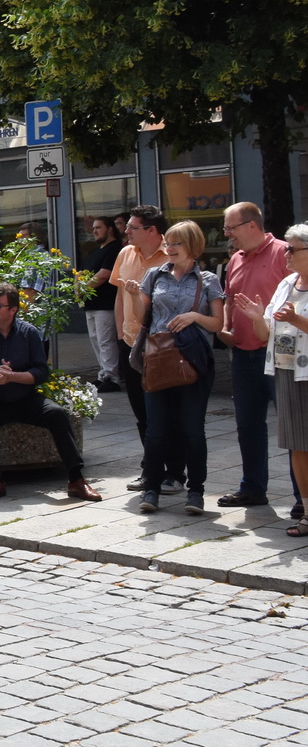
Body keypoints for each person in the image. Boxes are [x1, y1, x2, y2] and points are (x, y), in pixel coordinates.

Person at [0, 283, 102, 504]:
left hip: (26, 398)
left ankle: (76, 479)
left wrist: (12, 377)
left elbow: (40, 371)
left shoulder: (30, 333)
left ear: (13, 309)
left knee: (56, 413)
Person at [122, 221, 225, 514]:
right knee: (156, 430)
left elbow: (218, 324)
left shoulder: (207, 280)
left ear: (193, 246)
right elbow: (143, 315)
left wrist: (194, 316)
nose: (170, 249)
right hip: (158, 360)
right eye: (168, 243)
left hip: (193, 362)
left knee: (193, 430)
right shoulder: (154, 276)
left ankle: (196, 492)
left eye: (177, 244)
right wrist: (132, 295)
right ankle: (152, 489)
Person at [232, 221, 308, 535]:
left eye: (292, 249)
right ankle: (306, 513)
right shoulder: (287, 283)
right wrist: (257, 319)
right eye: (286, 248)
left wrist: (294, 318)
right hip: (287, 373)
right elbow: (268, 332)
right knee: (297, 446)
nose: (286, 254)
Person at [218, 202, 293, 510]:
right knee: (248, 425)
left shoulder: (285, 253)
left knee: (293, 427)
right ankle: (252, 488)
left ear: (251, 226)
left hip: (280, 354)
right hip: (244, 355)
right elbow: (229, 299)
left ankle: (302, 497)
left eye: (230, 228)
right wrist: (225, 327)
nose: (226, 234)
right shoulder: (235, 258)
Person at [114, 206, 183, 493]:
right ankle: (151, 469)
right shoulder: (125, 253)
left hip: (163, 346)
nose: (126, 231)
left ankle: (175, 473)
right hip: (132, 343)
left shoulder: (174, 255)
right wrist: (120, 335)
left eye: (132, 227)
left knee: (169, 411)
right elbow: (119, 297)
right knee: (142, 412)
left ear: (152, 230)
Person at [82, 216, 125, 391]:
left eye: (98, 227)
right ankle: (104, 374)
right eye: (93, 228)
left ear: (110, 229)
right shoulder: (95, 251)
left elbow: (104, 274)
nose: (95, 231)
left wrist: (82, 288)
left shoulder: (115, 249)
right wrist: (79, 287)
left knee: (106, 341)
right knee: (96, 340)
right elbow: (84, 273)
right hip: (91, 304)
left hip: (106, 304)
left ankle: (112, 377)